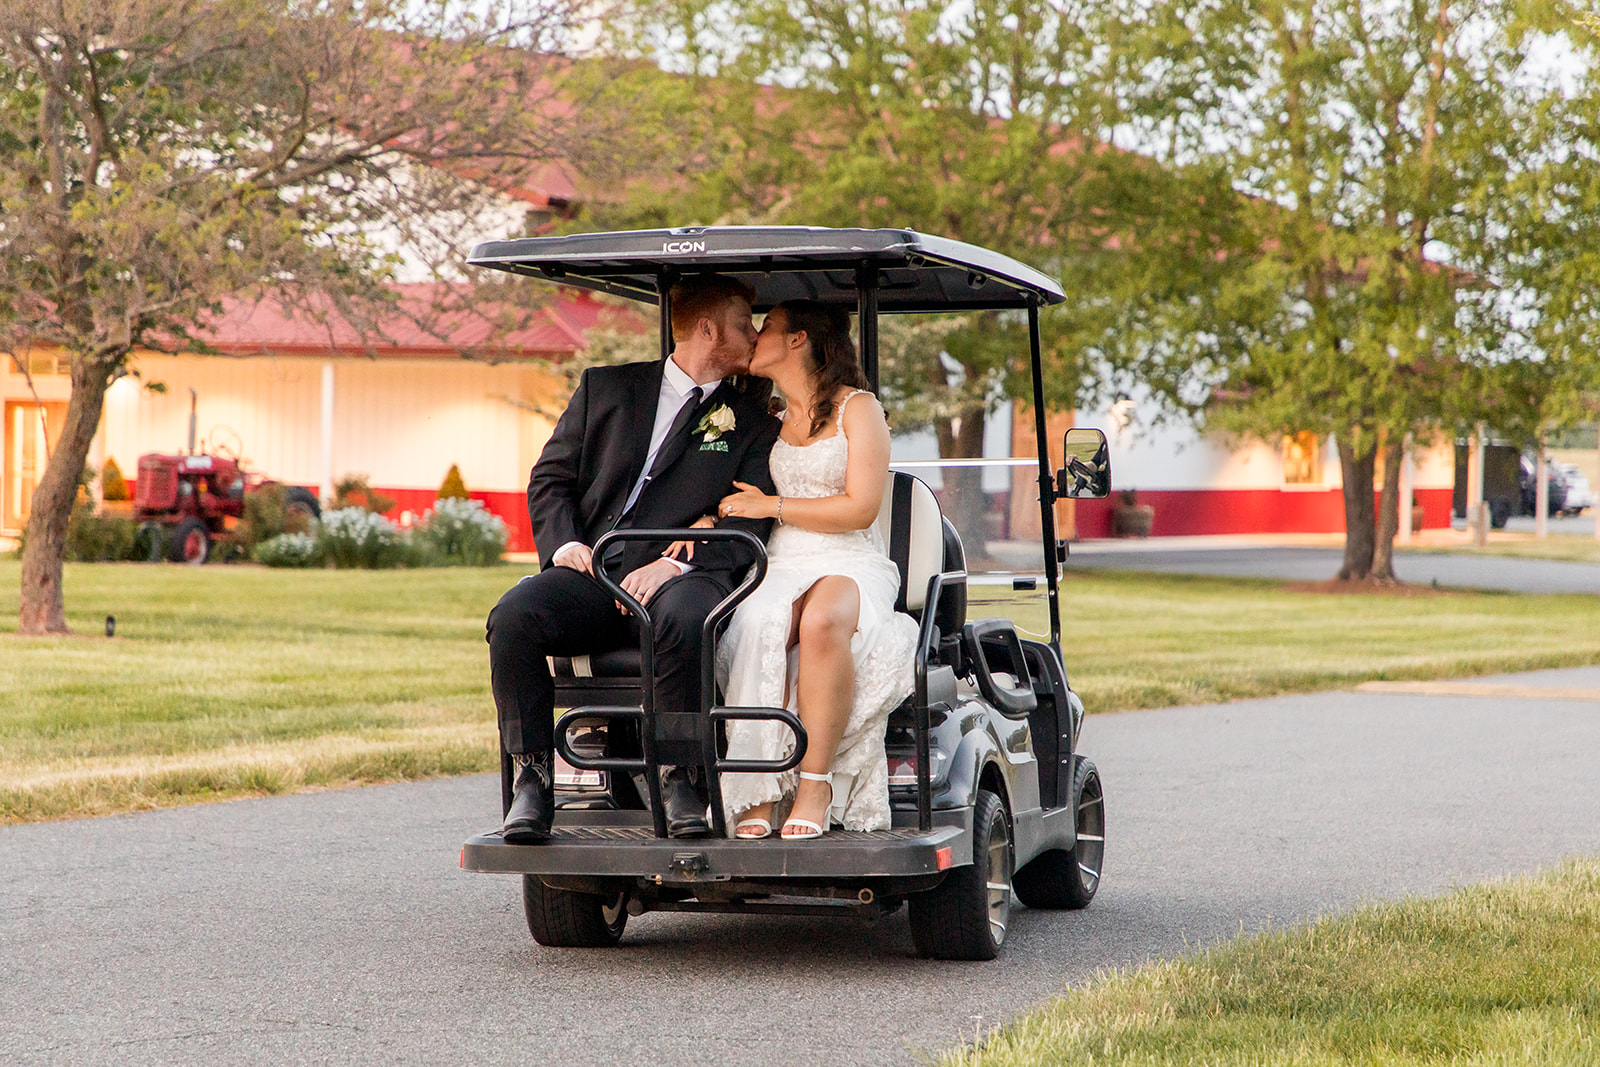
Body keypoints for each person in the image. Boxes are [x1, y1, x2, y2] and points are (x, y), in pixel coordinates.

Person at [486, 275, 782, 842]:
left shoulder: (751, 423)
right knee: (514, 616)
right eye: (745, 324)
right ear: (707, 329)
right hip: (596, 569)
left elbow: (750, 513)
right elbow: (551, 478)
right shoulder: (608, 388)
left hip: (685, 569)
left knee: (685, 617)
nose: (754, 334)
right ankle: (532, 778)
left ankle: (680, 779)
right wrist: (566, 544)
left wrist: (676, 564)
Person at [707, 301, 918, 839]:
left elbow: (860, 508)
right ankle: (757, 782)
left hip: (851, 556)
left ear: (798, 339)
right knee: (760, 623)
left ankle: (814, 783)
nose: (755, 335)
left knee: (824, 619)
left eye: (767, 327)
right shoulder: (767, 420)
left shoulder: (859, 409)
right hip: (782, 558)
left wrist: (772, 507)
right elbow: (737, 491)